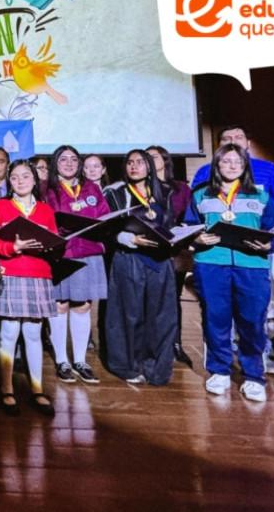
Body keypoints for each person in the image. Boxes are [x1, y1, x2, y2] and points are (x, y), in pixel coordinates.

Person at [187, 144, 274, 402]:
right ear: (217, 165)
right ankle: (219, 371)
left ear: (245, 165)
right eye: (226, 161)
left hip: (252, 265)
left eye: (237, 161)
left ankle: (254, 376)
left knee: (252, 321)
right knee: (215, 318)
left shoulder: (260, 196)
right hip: (210, 264)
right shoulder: (200, 195)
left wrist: (269, 244)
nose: (232, 166)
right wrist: (197, 238)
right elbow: (188, 226)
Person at [0, 160, 58, 417]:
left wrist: (50, 246)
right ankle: (6, 389)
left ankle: (37, 389)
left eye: (25, 176)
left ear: (35, 179)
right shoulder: (0, 206)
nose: (20, 181)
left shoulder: (45, 210)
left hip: (38, 275)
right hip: (11, 274)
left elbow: (54, 242)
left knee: (33, 333)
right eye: (15, 177)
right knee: (9, 331)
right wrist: (12, 247)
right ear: (9, 181)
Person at [103, 150, 179, 386]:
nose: (134, 166)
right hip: (129, 258)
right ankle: (126, 365)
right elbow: (106, 229)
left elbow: (171, 224)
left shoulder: (165, 192)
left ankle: (157, 368)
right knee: (127, 315)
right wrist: (130, 239)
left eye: (140, 162)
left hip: (160, 260)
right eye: (130, 162)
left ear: (149, 166)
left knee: (161, 317)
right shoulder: (115, 193)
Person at [43, 146, 109, 384]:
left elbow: (104, 215)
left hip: (89, 252)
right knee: (60, 306)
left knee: (82, 306)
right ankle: (62, 360)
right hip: (62, 254)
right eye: (63, 159)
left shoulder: (91, 188)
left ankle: (80, 360)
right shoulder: (46, 189)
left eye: (73, 159)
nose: (69, 163)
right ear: (55, 163)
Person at [146, 145, 194, 367]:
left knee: (173, 298)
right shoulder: (143, 187)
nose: (149, 160)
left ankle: (175, 343)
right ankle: (151, 345)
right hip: (150, 249)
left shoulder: (181, 188)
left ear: (165, 160)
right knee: (150, 299)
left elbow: (191, 217)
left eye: (154, 156)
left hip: (176, 251)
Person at [191, 125, 274, 215]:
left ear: (248, 143)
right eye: (226, 139)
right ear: (219, 145)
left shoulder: (269, 169)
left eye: (239, 138)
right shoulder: (205, 171)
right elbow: (196, 201)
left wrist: (266, 218)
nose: (233, 142)